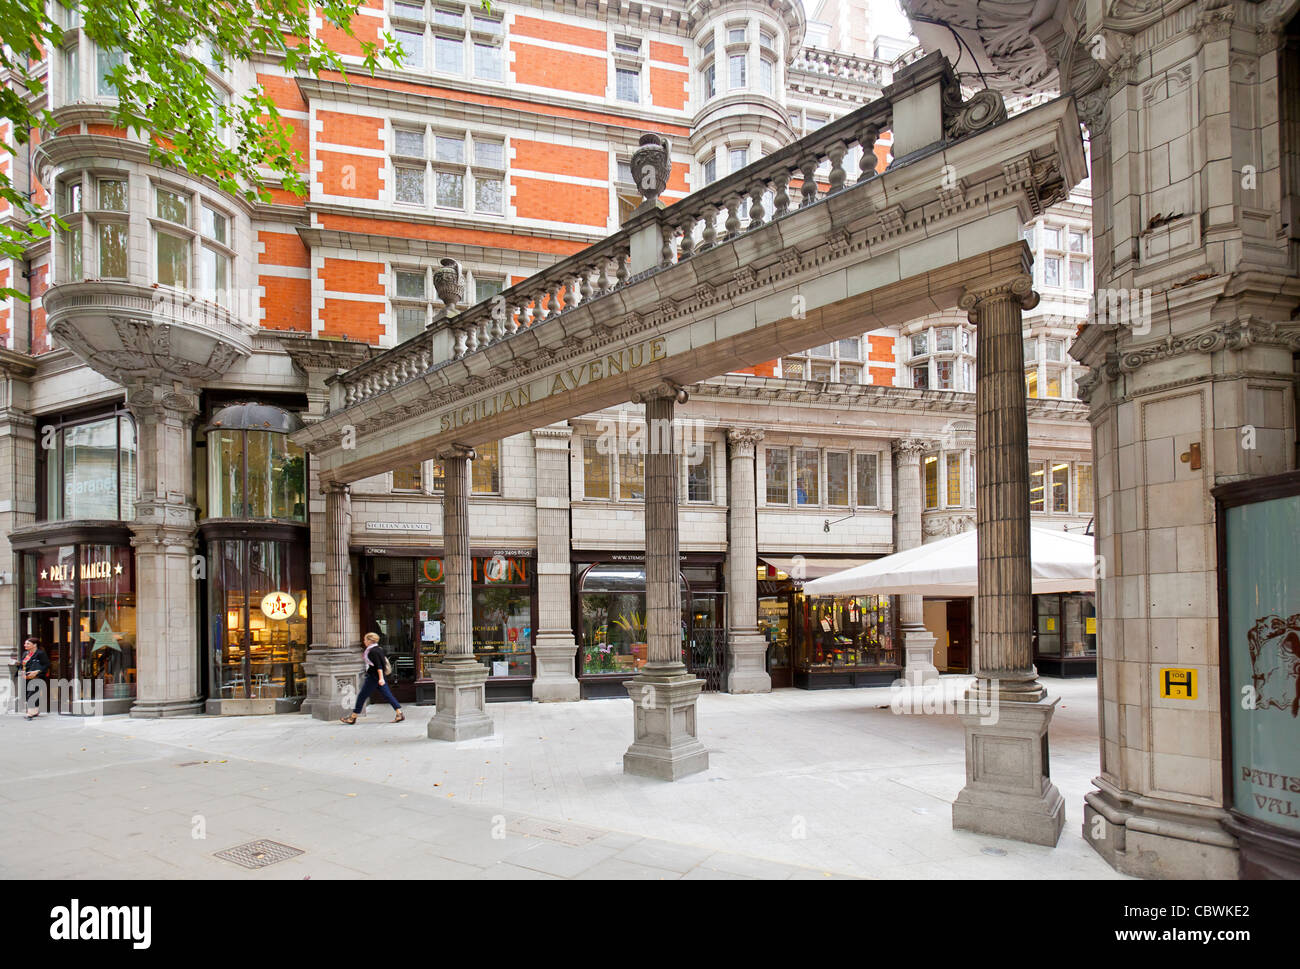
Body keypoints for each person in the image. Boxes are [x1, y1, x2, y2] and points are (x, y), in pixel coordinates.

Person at [340, 632, 403, 724]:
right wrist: (381, 678)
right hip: (377, 677)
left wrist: (380, 678)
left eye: (365, 639)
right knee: (387, 695)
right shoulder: (378, 649)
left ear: (370, 641)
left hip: (374, 678)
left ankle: (353, 717)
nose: (364, 641)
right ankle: (399, 713)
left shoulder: (373, 651)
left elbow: (379, 666)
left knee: (362, 696)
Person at [19, 637, 50, 720]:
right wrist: (21, 671)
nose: (25, 645)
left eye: (28, 643)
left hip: (37, 676)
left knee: (32, 693)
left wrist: (37, 672)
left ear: (34, 645)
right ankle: (35, 711)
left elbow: (46, 664)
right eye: (25, 643)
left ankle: (30, 713)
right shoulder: (25, 653)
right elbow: (22, 665)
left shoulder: (40, 653)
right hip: (26, 676)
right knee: (29, 693)